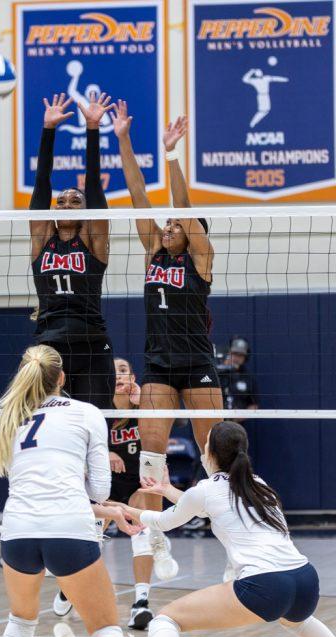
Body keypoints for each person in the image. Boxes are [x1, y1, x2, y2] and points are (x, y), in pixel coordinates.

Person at [110, 422, 336, 637]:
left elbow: (164, 521)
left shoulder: (206, 490)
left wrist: (124, 509)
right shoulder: (256, 482)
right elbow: (206, 506)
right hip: (304, 580)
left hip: (265, 585)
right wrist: (167, 489)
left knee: (165, 620)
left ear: (209, 454)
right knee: (297, 621)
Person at [115, 101, 223, 579]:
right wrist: (123, 139)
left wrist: (173, 155)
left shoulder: (200, 259)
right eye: (168, 225)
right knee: (150, 460)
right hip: (158, 366)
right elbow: (140, 197)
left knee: (216, 458)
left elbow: (183, 210)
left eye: (176, 224)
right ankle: (158, 539)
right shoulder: (152, 254)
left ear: (194, 232)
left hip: (198, 364)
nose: (168, 226)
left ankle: (237, 545)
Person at [0, 345, 141, 637]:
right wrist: (105, 506)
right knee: (106, 630)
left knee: (20, 623)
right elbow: (101, 490)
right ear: (61, 378)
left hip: (17, 531)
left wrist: (105, 510)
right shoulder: (86, 412)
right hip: (69, 529)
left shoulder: (11, 415)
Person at [28, 91, 116, 411]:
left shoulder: (93, 240)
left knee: (92, 427)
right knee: (50, 426)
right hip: (49, 346)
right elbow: (41, 184)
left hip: (92, 346)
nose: (66, 204)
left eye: (74, 201)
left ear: (85, 209)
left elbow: (94, 184)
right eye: (61, 201)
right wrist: (48, 131)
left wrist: (93, 130)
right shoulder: (42, 239)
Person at [105, 357, 156, 630]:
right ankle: (69, 587)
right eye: (113, 372)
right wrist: (105, 451)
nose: (119, 375)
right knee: (91, 537)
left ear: (132, 376)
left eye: (123, 370)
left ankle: (141, 603)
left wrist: (143, 404)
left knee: (142, 526)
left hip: (136, 484)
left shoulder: (144, 406)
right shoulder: (96, 410)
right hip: (104, 487)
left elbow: (180, 423)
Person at [217, 336, 259, 422]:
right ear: (229, 353)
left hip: (236, 425)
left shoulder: (248, 378)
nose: (237, 358)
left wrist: (241, 416)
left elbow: (254, 404)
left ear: (245, 357)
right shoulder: (216, 372)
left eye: (241, 355)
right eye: (235, 354)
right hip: (215, 421)